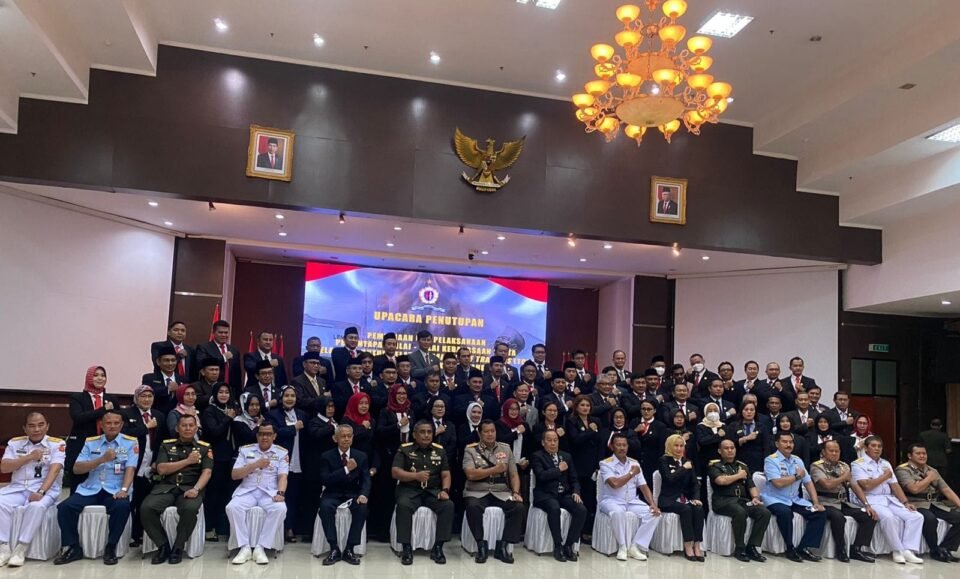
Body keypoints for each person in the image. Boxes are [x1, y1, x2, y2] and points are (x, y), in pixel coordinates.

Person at [54, 410, 137, 566]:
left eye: (116, 423)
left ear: (121, 425)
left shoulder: (130, 442)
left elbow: (130, 469)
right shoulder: (91, 442)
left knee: (122, 506)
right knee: (65, 507)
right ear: (102, 425)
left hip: (115, 488)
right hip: (91, 488)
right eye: (108, 423)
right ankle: (73, 547)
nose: (112, 426)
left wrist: (124, 490)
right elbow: (77, 469)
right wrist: (101, 459)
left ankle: (111, 547)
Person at [140, 414, 213, 565]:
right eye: (184, 426)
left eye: (191, 425)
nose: (188, 428)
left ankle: (178, 547)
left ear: (196, 428)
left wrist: (196, 489)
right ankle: (163, 546)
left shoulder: (204, 447)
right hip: (166, 487)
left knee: (190, 509)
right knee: (147, 508)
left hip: (190, 488)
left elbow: (207, 472)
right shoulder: (166, 445)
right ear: (177, 428)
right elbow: (161, 469)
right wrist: (188, 461)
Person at [0, 412, 64, 567]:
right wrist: (29, 457)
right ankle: (4, 547)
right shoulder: (14, 443)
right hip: (17, 488)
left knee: (36, 506)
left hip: (44, 489)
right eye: (32, 426)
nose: (37, 429)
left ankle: (21, 548)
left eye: (41, 425)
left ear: (47, 426)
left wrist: (41, 492)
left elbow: (55, 469)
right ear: (25, 428)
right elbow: (4, 468)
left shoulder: (57, 444)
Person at [850, 435, 924, 564]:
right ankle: (897, 550)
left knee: (916, 516)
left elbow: (895, 485)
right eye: (873, 446)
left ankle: (908, 550)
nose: (877, 449)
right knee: (889, 517)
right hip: (871, 499)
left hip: (889, 499)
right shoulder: (858, 464)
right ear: (866, 448)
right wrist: (884, 477)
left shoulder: (885, 463)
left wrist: (905, 502)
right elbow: (866, 485)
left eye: (879, 446)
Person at [392, 420, 454, 565]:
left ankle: (438, 547)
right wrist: (415, 476)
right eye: (422, 432)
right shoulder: (405, 449)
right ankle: (406, 548)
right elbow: (395, 472)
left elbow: (446, 474)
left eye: (429, 432)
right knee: (403, 505)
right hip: (409, 490)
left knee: (448, 505)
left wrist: (445, 490)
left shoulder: (440, 450)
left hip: (432, 491)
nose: (426, 435)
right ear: (414, 434)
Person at [226, 422, 288, 565]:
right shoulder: (245, 450)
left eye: (268, 434)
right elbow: (235, 475)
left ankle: (261, 547)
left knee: (280, 509)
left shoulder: (281, 452)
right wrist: (254, 465)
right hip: (248, 490)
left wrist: (280, 493)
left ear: (274, 436)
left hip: (269, 492)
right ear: (257, 435)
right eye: (261, 434)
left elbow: (282, 476)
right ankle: (244, 547)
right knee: (232, 508)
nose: (264, 437)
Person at [463, 420, 523, 564]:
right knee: (473, 507)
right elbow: (470, 474)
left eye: (493, 431)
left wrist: (515, 492)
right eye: (486, 431)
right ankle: (481, 544)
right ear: (480, 434)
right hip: (477, 490)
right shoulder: (470, 450)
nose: (490, 434)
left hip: (500, 491)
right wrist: (494, 470)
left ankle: (503, 545)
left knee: (518, 507)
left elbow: (513, 474)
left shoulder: (505, 449)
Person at [761, 431, 826, 562]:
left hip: (794, 499)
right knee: (785, 513)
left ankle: (804, 547)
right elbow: (778, 483)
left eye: (791, 442)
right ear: (777, 444)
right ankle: (790, 548)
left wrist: (816, 502)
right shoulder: (770, 460)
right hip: (775, 499)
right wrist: (796, 476)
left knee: (820, 513)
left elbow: (808, 482)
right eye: (784, 442)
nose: (788, 445)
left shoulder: (798, 460)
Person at [810, 439, 878, 563]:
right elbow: (827, 484)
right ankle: (841, 550)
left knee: (869, 516)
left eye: (837, 451)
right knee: (838, 517)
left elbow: (854, 486)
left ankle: (856, 549)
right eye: (831, 451)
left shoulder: (844, 466)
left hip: (842, 502)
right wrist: (843, 477)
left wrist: (867, 504)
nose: (834, 453)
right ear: (823, 452)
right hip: (825, 502)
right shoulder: (817, 466)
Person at [599, 433, 661, 561]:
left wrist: (652, 504)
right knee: (618, 513)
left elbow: (643, 486)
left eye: (624, 445)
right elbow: (615, 484)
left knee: (655, 514)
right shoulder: (606, 463)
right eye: (618, 445)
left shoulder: (634, 463)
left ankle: (635, 546)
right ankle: (622, 547)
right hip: (612, 500)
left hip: (632, 501)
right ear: (612, 447)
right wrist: (632, 473)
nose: (622, 448)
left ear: (628, 446)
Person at [708, 439, 770, 562]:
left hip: (741, 500)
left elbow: (751, 486)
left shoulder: (742, 466)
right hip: (723, 501)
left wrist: (755, 498)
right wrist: (739, 476)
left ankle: (752, 547)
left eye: (732, 448)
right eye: (726, 448)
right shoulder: (715, 466)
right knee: (740, 512)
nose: (730, 450)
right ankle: (740, 548)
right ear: (720, 451)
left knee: (764, 512)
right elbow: (721, 481)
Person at [896, 442, 960, 562]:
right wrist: (929, 478)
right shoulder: (903, 470)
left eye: (924, 453)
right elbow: (914, 489)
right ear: (910, 456)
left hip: (934, 503)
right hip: (915, 503)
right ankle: (934, 551)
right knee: (930, 519)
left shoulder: (931, 470)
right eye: (918, 453)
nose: (922, 456)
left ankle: (945, 548)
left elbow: (946, 489)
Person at [318, 424, 370, 565]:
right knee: (325, 507)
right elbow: (326, 480)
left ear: (352, 438)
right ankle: (334, 548)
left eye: (349, 436)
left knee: (362, 508)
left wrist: (363, 494)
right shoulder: (326, 456)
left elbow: (366, 479)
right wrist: (346, 469)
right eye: (343, 436)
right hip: (332, 492)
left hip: (352, 493)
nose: (346, 439)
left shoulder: (361, 456)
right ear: (335, 438)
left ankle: (350, 549)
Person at [531, 430, 586, 562]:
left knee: (581, 509)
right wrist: (558, 469)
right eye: (549, 440)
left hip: (564, 494)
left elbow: (574, 479)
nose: (553, 443)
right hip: (545, 494)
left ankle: (569, 545)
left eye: (555, 440)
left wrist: (576, 492)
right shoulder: (537, 456)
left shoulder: (566, 456)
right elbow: (541, 476)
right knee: (554, 508)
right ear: (543, 442)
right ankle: (558, 545)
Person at [122, 385, 165, 547]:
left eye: (150, 396)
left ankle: (139, 534)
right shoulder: (127, 414)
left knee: (143, 501)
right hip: (132, 463)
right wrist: (146, 427)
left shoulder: (159, 415)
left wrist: (158, 460)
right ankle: (127, 534)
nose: (147, 399)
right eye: (143, 396)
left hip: (151, 462)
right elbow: (124, 434)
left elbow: (162, 440)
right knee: (130, 500)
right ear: (136, 398)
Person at [66, 366, 120, 492]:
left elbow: (119, 419)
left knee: (106, 480)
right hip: (82, 445)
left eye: (103, 375)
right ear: (89, 377)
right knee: (78, 484)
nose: (100, 378)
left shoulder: (112, 399)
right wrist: (103, 410)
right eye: (95, 375)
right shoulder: (77, 397)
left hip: (106, 445)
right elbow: (78, 417)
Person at [267, 386, 308, 542]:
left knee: (294, 496)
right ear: (281, 398)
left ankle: (290, 527)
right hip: (279, 462)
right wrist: (293, 428)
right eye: (286, 396)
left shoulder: (302, 414)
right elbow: (274, 434)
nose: (290, 398)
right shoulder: (273, 414)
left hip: (298, 460)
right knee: (278, 494)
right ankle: (277, 528)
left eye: (292, 395)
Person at [658, 433, 705, 561]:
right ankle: (687, 545)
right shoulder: (664, 460)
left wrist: (696, 498)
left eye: (681, 446)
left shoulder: (687, 462)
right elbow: (669, 479)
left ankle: (697, 545)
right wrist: (683, 468)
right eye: (676, 446)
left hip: (685, 498)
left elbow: (694, 484)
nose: (679, 449)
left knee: (698, 508)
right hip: (668, 499)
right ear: (669, 446)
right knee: (686, 509)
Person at [201, 383, 238, 541]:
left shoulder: (233, 409)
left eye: (226, 392)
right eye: (220, 392)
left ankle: (224, 527)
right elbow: (214, 431)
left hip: (232, 457)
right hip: (216, 457)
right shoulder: (209, 411)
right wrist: (227, 418)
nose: (224, 395)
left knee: (228, 493)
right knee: (213, 494)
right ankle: (209, 528)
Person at [566, 395, 600, 540]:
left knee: (590, 498)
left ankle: (587, 530)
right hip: (578, 463)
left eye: (587, 405)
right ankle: (577, 532)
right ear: (576, 407)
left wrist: (598, 464)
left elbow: (599, 442)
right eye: (582, 405)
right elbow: (576, 440)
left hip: (592, 464)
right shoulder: (571, 421)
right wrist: (590, 431)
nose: (585, 408)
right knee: (579, 497)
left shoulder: (596, 421)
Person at [195, 320, 243, 397]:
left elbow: (237, 374)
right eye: (220, 332)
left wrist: (238, 394)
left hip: (231, 392)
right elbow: (201, 364)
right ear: (213, 333)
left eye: (226, 333)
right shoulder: (204, 347)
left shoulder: (234, 350)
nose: (223, 335)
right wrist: (223, 358)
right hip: (211, 391)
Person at [143, 345, 185, 413]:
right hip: (156, 415)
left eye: (173, 360)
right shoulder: (149, 378)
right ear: (158, 362)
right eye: (166, 360)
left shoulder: (183, 379)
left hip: (177, 416)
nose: (170, 363)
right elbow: (147, 394)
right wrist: (167, 389)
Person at [727, 401, 767, 473]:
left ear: (755, 412)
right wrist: (745, 439)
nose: (749, 412)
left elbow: (766, 447)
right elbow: (729, 443)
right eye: (746, 409)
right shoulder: (733, 426)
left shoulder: (761, 426)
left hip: (758, 462)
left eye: (752, 410)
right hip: (738, 461)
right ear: (741, 411)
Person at [633, 400, 666, 485]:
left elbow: (661, 448)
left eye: (649, 409)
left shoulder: (660, 426)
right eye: (643, 409)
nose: (646, 411)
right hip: (635, 463)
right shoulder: (634, 422)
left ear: (654, 410)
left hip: (652, 464)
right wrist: (635, 431)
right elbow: (628, 441)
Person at [290, 351, 328, 416]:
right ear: (304, 364)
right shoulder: (297, 381)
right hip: (306, 416)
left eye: (318, 363)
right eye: (312, 363)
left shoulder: (322, 381)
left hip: (321, 416)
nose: (316, 366)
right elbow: (301, 401)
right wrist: (322, 397)